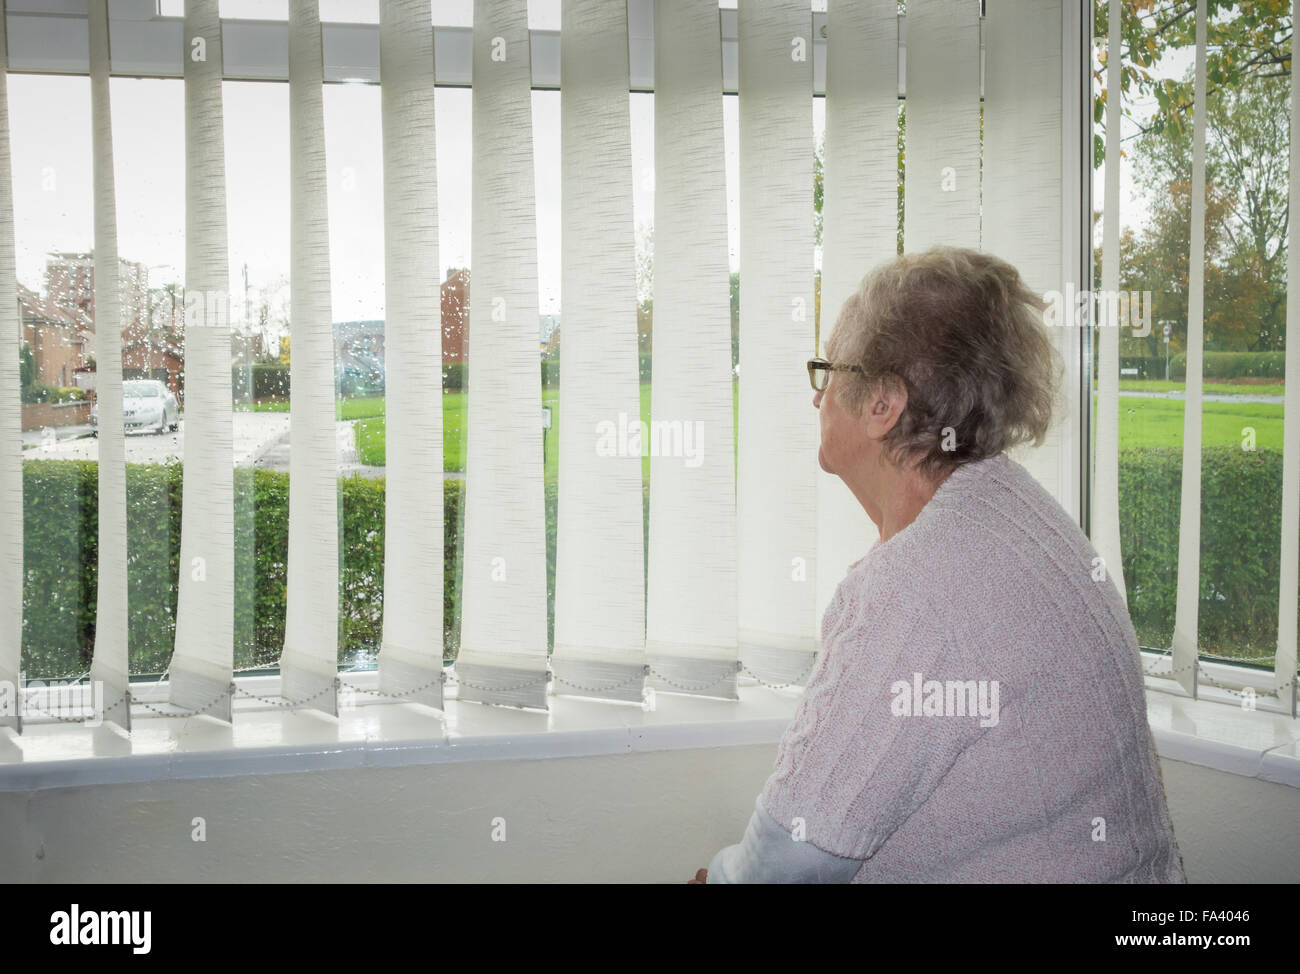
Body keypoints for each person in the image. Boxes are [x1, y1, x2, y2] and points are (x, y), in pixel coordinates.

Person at [693, 245, 1185, 884]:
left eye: (828, 371)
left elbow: (786, 865)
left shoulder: (914, 590)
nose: (818, 400)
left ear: (883, 405)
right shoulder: (1022, 514)